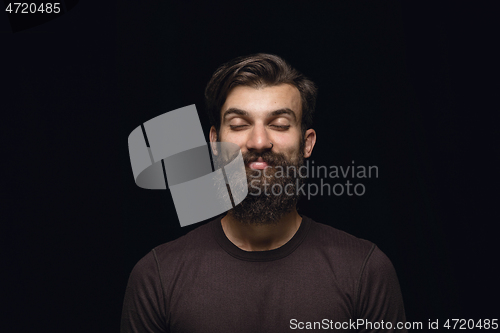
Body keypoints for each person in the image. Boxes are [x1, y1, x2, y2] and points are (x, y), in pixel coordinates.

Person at [121, 53, 407, 332]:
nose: (259, 141)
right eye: (238, 125)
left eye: (279, 124)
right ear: (214, 142)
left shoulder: (364, 271)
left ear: (307, 143)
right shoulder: (158, 276)